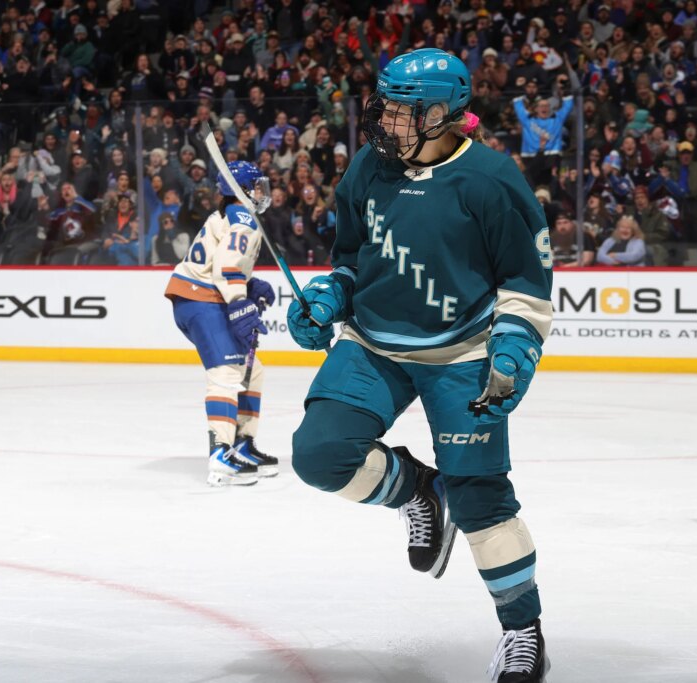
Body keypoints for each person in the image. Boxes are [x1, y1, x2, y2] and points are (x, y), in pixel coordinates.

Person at [286, 49, 553, 682]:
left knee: (481, 498)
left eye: (403, 110)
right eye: (385, 106)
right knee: (319, 455)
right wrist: (327, 299)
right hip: (374, 343)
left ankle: (523, 631)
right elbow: (352, 261)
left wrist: (513, 348)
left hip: (462, 352)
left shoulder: (490, 179)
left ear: (442, 114)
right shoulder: (368, 166)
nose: (386, 119)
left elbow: (526, 281)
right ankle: (417, 490)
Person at [164, 161, 279, 487]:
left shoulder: (229, 214)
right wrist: (240, 303)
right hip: (202, 300)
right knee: (227, 372)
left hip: (197, 297)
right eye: (256, 186)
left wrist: (249, 284)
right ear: (241, 190)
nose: (262, 192)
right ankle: (221, 455)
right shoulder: (243, 218)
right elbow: (227, 266)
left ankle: (242, 444)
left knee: (252, 370)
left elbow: (222, 261)